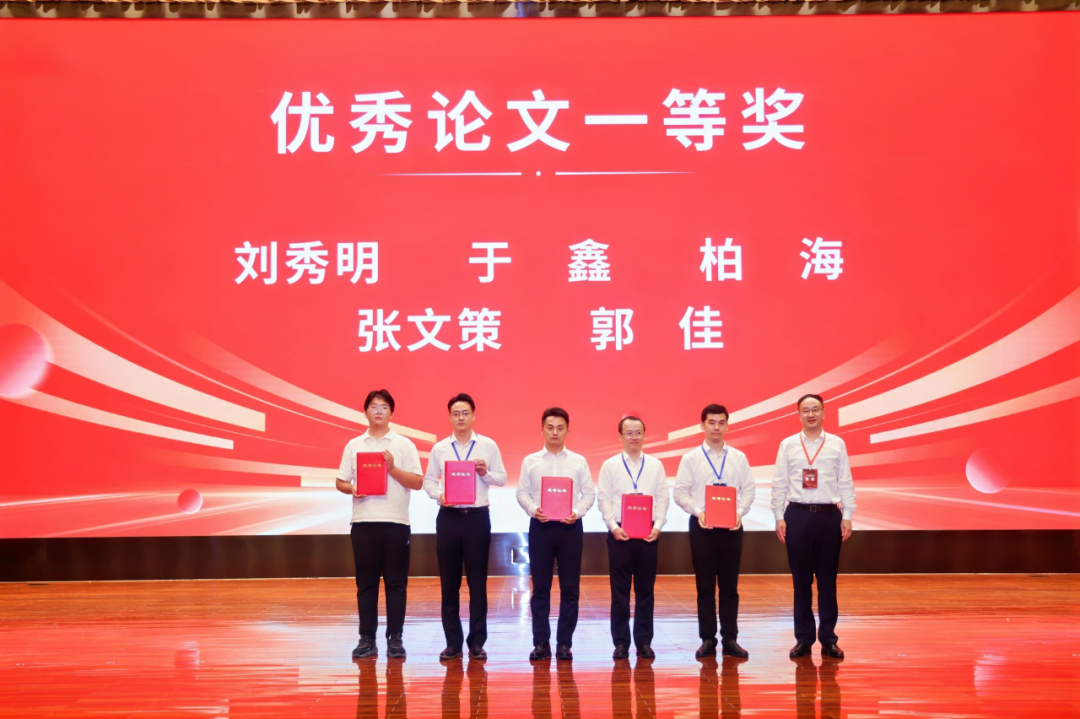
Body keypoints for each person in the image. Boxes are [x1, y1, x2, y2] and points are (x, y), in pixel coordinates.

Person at [335, 389, 424, 660]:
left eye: (384, 407)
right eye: (373, 406)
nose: (378, 411)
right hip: (364, 522)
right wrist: (352, 488)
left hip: (396, 522)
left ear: (391, 413)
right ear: (365, 412)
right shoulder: (354, 445)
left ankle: (395, 638)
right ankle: (367, 639)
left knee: (396, 584)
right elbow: (340, 481)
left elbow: (417, 482)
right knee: (366, 584)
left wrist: (392, 468)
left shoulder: (404, 445)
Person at [422, 393, 507, 661]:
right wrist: (439, 495)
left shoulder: (488, 445)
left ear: (473, 416)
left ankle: (477, 642)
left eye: (465, 413)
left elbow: (502, 478)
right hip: (449, 517)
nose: (461, 417)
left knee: (477, 583)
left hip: (477, 519)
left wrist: (485, 473)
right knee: (449, 583)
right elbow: (428, 481)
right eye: (456, 413)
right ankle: (453, 643)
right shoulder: (440, 448)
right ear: (449, 417)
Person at [771, 394, 856, 659]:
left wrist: (847, 515)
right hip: (797, 515)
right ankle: (804, 639)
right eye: (805, 410)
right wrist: (778, 516)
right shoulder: (788, 445)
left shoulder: (836, 444)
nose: (811, 414)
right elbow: (779, 482)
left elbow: (845, 481)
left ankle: (829, 639)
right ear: (798, 415)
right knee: (801, 581)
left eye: (815, 409)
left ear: (823, 413)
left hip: (829, 516)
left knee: (828, 580)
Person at [673, 403, 756, 659]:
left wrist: (739, 512)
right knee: (705, 587)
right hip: (702, 528)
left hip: (732, 528)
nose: (716, 427)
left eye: (721, 423)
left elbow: (749, 490)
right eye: (711, 422)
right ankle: (707, 639)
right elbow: (679, 492)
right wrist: (699, 511)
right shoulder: (691, 458)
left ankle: (730, 639)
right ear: (702, 425)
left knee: (730, 587)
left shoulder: (739, 458)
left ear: (727, 425)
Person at [516, 407, 596, 662]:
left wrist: (576, 512)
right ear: (542, 430)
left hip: (570, 528)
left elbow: (589, 493)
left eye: (560, 428)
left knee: (570, 588)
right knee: (540, 587)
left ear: (568, 431)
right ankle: (541, 643)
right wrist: (533, 509)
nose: (555, 432)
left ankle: (564, 644)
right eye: (550, 428)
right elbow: (521, 492)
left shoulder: (578, 461)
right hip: (540, 527)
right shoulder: (530, 461)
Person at [597, 415, 670, 660]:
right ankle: (620, 642)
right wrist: (612, 527)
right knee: (619, 592)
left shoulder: (655, 465)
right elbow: (604, 499)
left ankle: (644, 642)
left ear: (644, 435)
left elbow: (663, 498)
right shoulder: (610, 465)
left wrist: (657, 526)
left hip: (648, 534)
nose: (634, 437)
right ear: (620, 437)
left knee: (645, 591)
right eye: (628, 433)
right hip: (620, 534)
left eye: (638, 432)